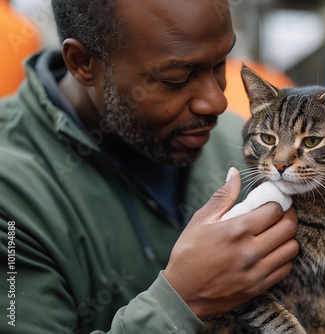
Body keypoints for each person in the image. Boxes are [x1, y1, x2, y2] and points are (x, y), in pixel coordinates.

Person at [0, 0, 299, 333]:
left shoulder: (238, 145)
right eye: (176, 78)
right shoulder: (11, 194)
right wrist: (181, 302)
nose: (218, 102)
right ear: (83, 63)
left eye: (220, 64)